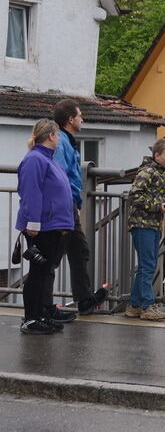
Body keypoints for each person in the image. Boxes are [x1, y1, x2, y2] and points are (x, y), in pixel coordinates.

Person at [15, 119, 77, 334]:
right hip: (43, 225)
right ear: (51, 136)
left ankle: (41, 314)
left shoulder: (47, 160)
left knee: (44, 271)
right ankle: (31, 318)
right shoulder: (35, 159)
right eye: (57, 135)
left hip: (53, 224)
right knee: (38, 273)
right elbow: (31, 192)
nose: (58, 139)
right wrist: (32, 222)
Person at [51, 99, 108, 315]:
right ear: (70, 119)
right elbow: (59, 175)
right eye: (79, 115)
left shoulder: (66, 140)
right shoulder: (62, 143)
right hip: (64, 207)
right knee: (54, 256)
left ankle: (84, 299)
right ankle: (46, 306)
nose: (82, 118)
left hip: (69, 205)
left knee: (79, 250)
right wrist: (68, 203)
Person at [126, 138, 165, 321]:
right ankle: (147, 306)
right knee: (148, 266)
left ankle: (134, 305)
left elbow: (155, 198)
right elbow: (135, 196)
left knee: (146, 266)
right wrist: (159, 206)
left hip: (153, 224)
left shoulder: (162, 172)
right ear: (157, 155)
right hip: (142, 224)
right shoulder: (148, 171)